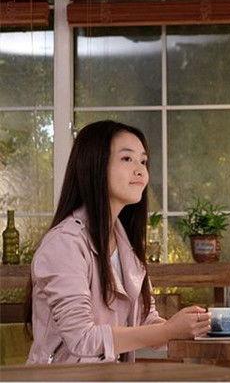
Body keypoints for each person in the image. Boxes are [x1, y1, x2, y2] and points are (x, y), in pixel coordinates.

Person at [25, 120, 211, 364]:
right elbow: (82, 339)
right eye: (127, 159)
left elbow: (145, 322)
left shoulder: (126, 245)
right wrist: (168, 331)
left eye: (143, 161)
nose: (140, 171)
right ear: (94, 166)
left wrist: (189, 327)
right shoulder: (64, 244)